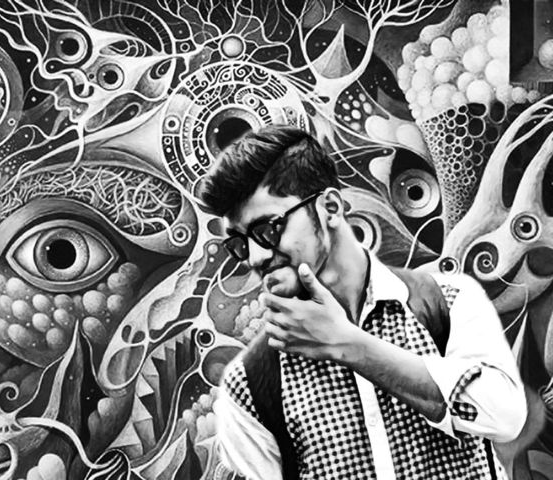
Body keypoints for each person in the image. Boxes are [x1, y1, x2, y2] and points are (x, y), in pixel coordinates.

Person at [198, 125, 527, 480]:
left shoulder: (447, 301)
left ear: (330, 207)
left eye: (268, 230)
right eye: (240, 243)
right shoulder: (249, 384)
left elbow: (504, 418)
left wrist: (349, 345)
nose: (256, 257)